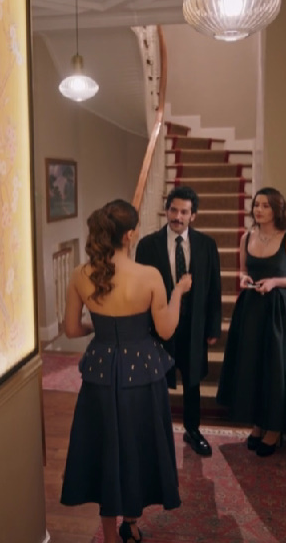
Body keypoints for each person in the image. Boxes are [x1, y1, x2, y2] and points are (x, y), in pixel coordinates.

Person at [60, 199, 192, 543]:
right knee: (137, 444)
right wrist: (178, 292)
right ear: (130, 235)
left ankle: (109, 535)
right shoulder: (149, 276)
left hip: (101, 370)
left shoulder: (80, 275)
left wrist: (99, 329)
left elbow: (71, 329)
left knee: (105, 447)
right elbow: (166, 330)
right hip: (141, 371)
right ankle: (131, 525)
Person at [216, 187, 286, 457]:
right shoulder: (246, 237)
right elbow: (243, 270)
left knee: (275, 368)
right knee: (253, 365)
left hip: (279, 310)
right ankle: (258, 425)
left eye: (265, 206)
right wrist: (244, 278)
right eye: (256, 205)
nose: (258, 210)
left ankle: (274, 430)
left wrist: (275, 282)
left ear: (277, 210)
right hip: (251, 308)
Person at [135, 186, 222, 457]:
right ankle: (157, 433)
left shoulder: (207, 245)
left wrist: (213, 327)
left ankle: (192, 430)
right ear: (166, 210)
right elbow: (141, 291)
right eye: (173, 210)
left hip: (194, 327)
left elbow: (214, 289)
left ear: (193, 215)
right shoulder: (147, 245)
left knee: (192, 381)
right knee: (158, 381)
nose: (177, 217)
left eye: (184, 212)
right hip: (160, 327)